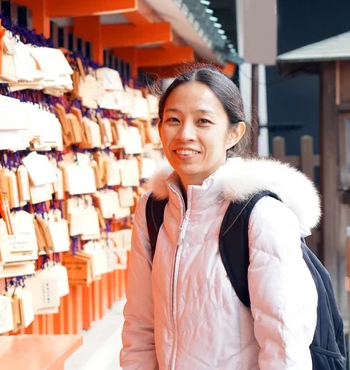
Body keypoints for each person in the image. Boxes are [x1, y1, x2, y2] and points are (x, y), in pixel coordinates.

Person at [120, 67, 320, 369]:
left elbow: (284, 343)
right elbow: (140, 322)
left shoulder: (260, 215)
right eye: (173, 120)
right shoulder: (154, 209)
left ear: (233, 133)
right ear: (159, 127)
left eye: (203, 121)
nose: (185, 134)